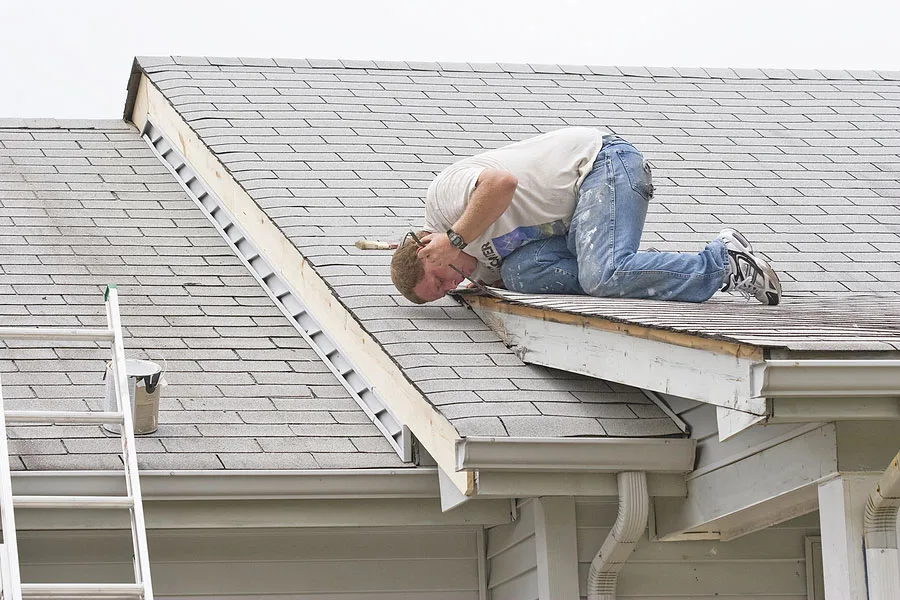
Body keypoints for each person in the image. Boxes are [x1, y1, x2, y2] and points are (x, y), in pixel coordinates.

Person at [390, 127, 781, 306]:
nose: (452, 284)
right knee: (520, 276)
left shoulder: (443, 203)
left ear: (428, 250)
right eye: (443, 293)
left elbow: (501, 183)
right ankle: (634, 267)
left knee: (601, 275)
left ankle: (724, 263)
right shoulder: (477, 271)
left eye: (440, 278)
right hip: (581, 219)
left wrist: (453, 238)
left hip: (601, 166)